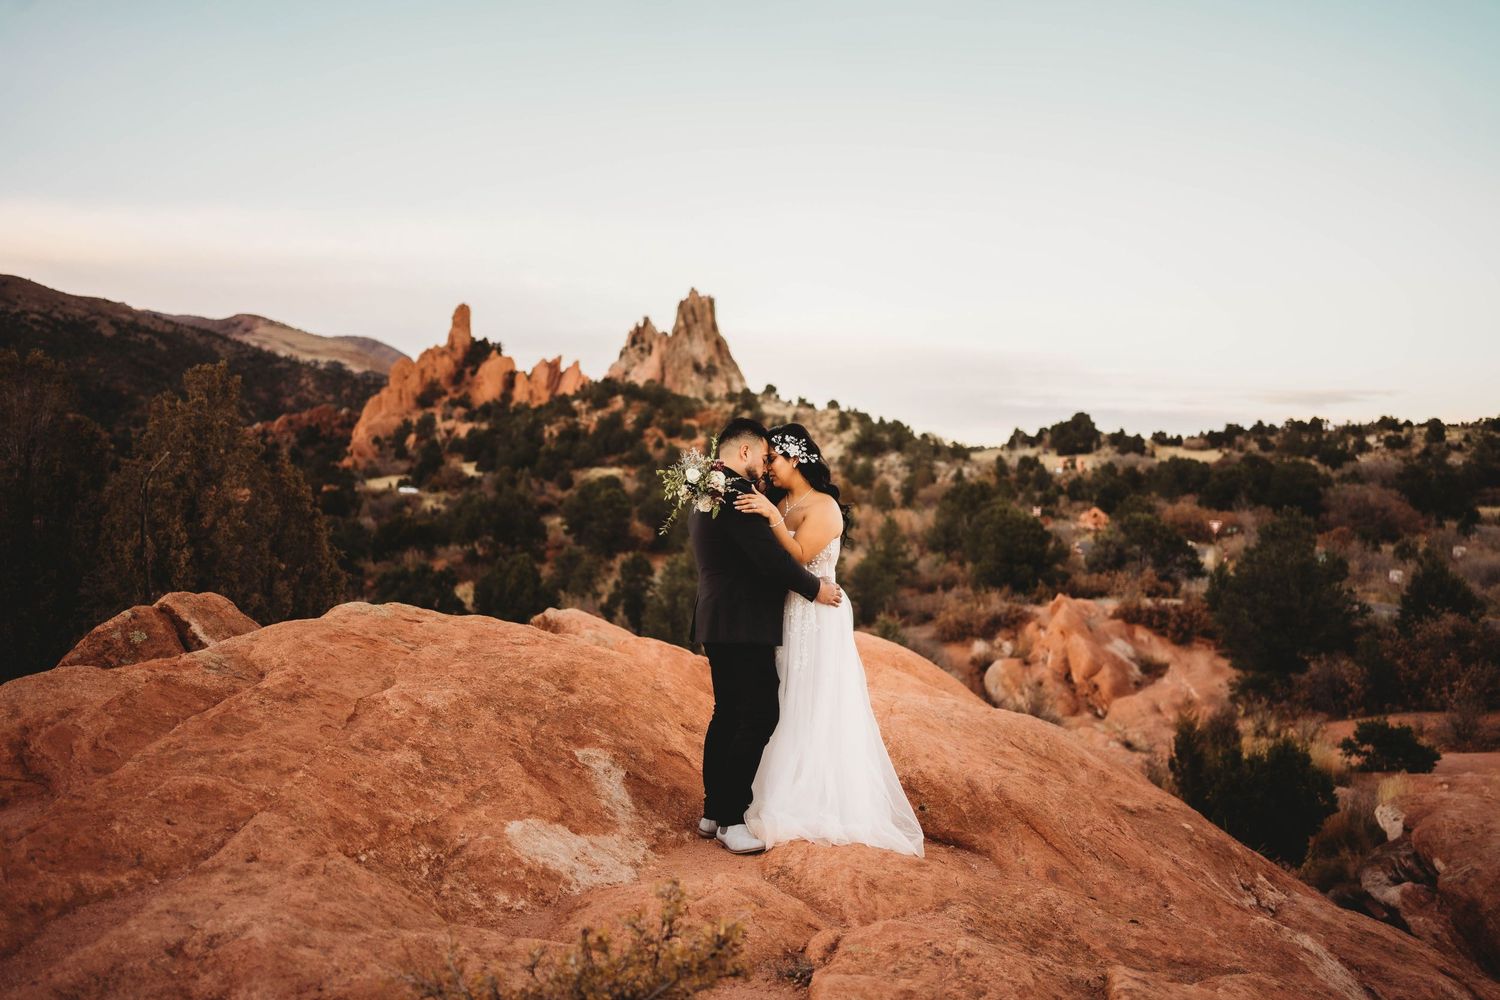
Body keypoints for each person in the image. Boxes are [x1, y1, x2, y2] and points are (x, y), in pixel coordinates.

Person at [732, 423, 925, 857]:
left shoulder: (824, 506)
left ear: (795, 458)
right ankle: (767, 786)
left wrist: (770, 516)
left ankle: (813, 795)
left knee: (814, 697)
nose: (768, 467)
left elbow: (799, 555)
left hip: (819, 613)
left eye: (773, 459)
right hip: (786, 610)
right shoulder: (780, 499)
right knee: (782, 696)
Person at [689, 418, 844, 855]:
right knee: (759, 715)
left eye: (772, 457)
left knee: (727, 713)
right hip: (742, 622)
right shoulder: (738, 495)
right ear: (745, 452)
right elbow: (771, 561)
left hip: (717, 615)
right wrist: (816, 590)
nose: (765, 464)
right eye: (763, 455)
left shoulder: (709, 488)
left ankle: (713, 812)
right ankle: (731, 819)